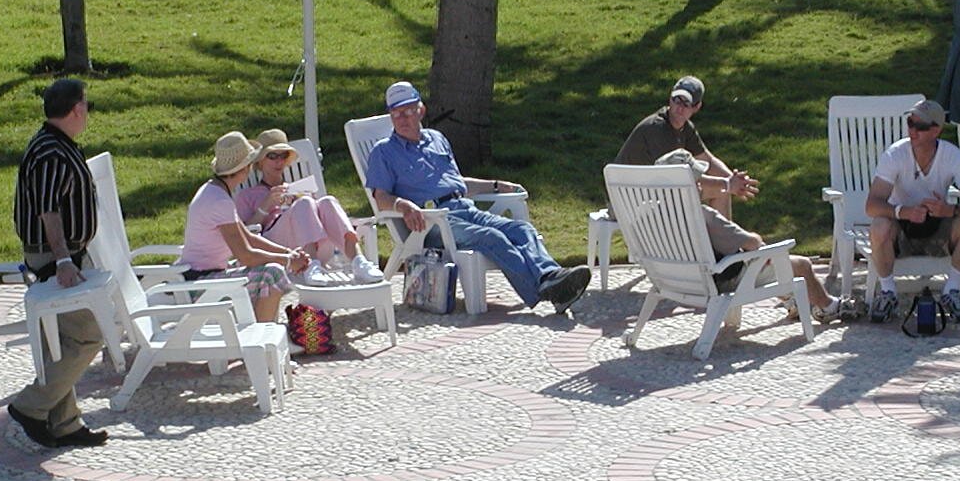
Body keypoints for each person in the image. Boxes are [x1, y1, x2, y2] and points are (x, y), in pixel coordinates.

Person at [365, 81, 592, 311]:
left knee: (522, 229)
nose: (402, 119)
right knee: (492, 237)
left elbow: (457, 183)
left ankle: (550, 275)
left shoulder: (437, 139)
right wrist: (403, 205)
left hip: (464, 208)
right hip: (431, 222)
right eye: (396, 113)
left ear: (421, 110)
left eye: (407, 111)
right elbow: (380, 197)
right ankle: (547, 290)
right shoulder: (383, 152)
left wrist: (496, 185)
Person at [8, 77, 108, 448]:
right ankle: (30, 406)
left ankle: (65, 423)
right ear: (77, 108)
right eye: (87, 106)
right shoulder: (51, 152)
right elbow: (48, 211)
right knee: (88, 334)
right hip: (54, 257)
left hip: (63, 254)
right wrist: (64, 259)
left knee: (62, 340)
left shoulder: (55, 143)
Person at [655, 150, 839, 324]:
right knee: (801, 264)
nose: (700, 184)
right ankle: (829, 307)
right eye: (697, 181)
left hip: (675, 281)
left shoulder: (652, 215)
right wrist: (760, 245)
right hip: (720, 282)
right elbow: (752, 243)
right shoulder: (704, 216)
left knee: (762, 263)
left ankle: (793, 300)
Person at [862, 98, 960, 325]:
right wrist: (903, 212)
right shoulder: (895, 154)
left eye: (920, 126)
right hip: (901, 229)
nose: (913, 131)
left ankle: (952, 289)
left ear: (936, 130)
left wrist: (950, 210)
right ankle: (888, 292)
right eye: (910, 123)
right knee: (879, 225)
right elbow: (872, 205)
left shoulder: (952, 156)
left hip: (938, 227)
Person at [181, 131, 312, 323]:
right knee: (272, 274)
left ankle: (264, 330)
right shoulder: (220, 201)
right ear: (245, 168)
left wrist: (289, 253)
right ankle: (263, 334)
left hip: (200, 277)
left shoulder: (213, 191)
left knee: (270, 270)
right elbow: (246, 256)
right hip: (200, 284)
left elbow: (249, 238)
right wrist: (288, 261)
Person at [234, 128, 380, 285]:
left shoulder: (297, 189)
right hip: (278, 249)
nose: (279, 161)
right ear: (260, 161)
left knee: (327, 201)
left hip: (317, 245)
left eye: (283, 156)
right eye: (272, 156)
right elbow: (243, 233)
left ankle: (359, 261)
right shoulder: (247, 195)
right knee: (304, 203)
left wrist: (301, 199)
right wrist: (266, 205)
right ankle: (311, 265)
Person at [615, 75, 757, 217]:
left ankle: (720, 232)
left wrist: (736, 181)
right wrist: (727, 184)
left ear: (697, 107)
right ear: (670, 99)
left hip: (647, 195)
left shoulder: (686, 128)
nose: (679, 108)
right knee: (718, 189)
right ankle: (719, 232)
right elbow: (683, 177)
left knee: (720, 190)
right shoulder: (657, 128)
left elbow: (708, 160)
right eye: (677, 100)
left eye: (686, 103)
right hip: (629, 203)